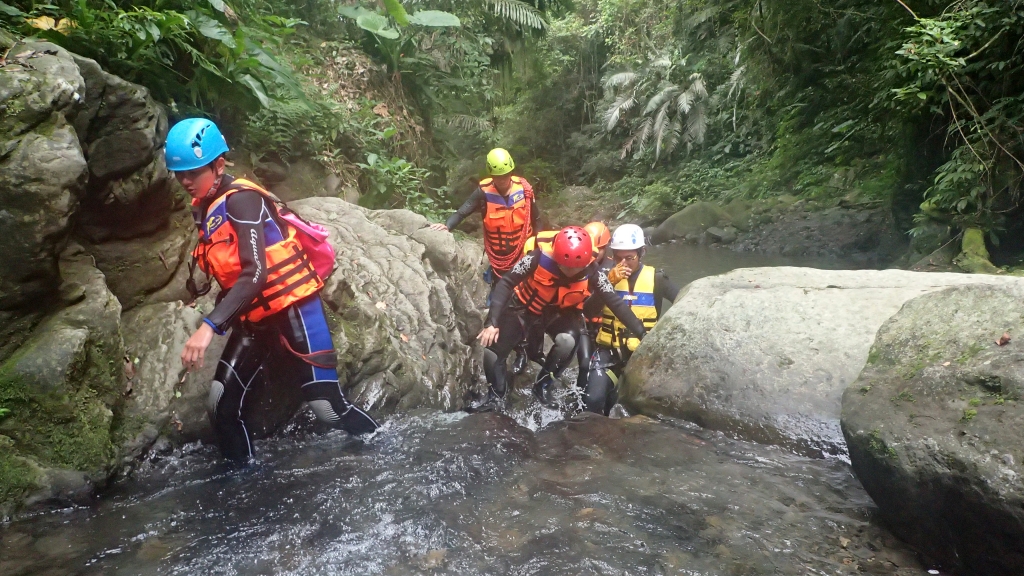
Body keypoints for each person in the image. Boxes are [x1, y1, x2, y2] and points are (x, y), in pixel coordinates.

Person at [168, 117, 378, 462]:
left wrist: (209, 327)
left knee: (327, 408)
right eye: (180, 174)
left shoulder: (242, 201)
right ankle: (243, 480)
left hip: (294, 307)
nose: (185, 181)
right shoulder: (205, 207)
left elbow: (255, 273)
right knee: (220, 405)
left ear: (218, 164)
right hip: (255, 315)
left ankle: (381, 445)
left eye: (193, 172)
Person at [473, 226, 648, 412]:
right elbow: (506, 282)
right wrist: (492, 322)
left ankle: (542, 386)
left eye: (576, 268)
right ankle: (496, 397)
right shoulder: (538, 257)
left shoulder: (593, 271)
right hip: (525, 308)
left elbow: (616, 303)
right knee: (492, 351)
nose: (570, 272)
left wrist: (642, 334)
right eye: (565, 267)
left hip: (560, 314)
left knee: (568, 341)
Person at [430, 148, 539, 371]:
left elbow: (537, 219)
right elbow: (463, 211)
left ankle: (523, 349)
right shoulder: (483, 192)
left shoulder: (524, 191)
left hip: (523, 255)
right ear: (491, 174)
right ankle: (500, 342)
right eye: (498, 176)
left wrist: (540, 248)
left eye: (505, 175)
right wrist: (447, 225)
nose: (502, 180)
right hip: (500, 260)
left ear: (511, 172)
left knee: (523, 303)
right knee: (502, 299)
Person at [583, 224, 680, 415]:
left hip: (641, 352)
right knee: (593, 400)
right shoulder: (603, 276)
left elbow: (682, 303)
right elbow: (588, 311)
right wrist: (607, 283)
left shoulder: (657, 278)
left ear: (641, 253)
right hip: (610, 351)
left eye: (629, 258)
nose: (624, 263)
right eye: (618, 258)